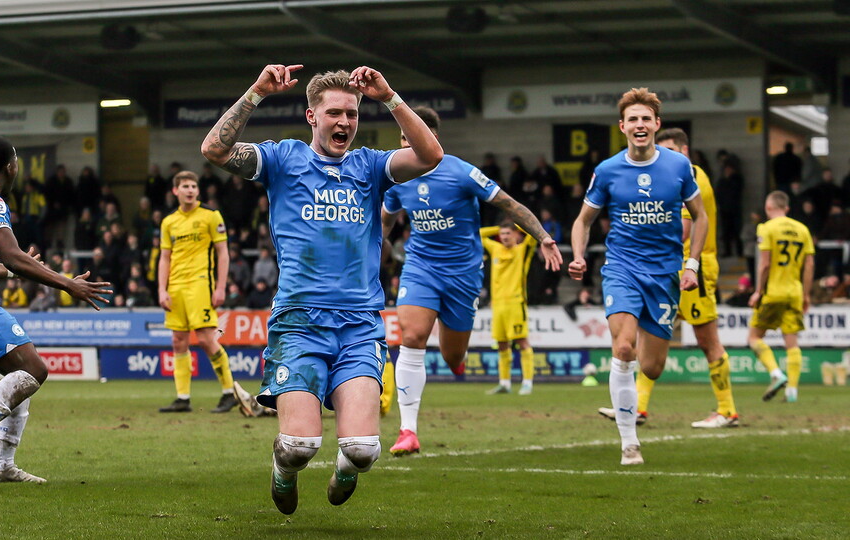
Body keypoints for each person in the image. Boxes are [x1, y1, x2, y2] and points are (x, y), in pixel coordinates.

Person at [201, 64, 443, 514]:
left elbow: (431, 156)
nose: (344, 123)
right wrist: (256, 91)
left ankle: (345, 470)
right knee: (298, 445)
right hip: (298, 321)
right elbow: (215, 149)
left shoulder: (370, 165)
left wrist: (388, 97)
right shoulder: (283, 158)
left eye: (351, 114)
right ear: (312, 116)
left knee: (363, 450)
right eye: (334, 113)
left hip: (358, 324)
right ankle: (283, 471)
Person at [380, 106, 561, 456]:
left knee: (451, 355)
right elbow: (386, 221)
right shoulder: (398, 178)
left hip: (463, 274)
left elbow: (509, 205)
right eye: (402, 137)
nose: (407, 143)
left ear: (431, 136)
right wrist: (372, 249)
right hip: (420, 267)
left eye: (413, 135)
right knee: (412, 336)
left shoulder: (461, 172)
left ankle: (456, 356)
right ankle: (408, 431)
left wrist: (543, 237)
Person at [0, 136, 111, 488]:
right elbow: (13, 255)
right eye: (16, 162)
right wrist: (66, 284)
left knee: (19, 376)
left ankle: (2, 466)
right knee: (35, 369)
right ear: (10, 167)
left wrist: (14, 269)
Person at [569, 88, 706, 466]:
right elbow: (583, 220)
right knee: (624, 348)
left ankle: (633, 410)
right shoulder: (609, 170)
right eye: (633, 119)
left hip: (664, 274)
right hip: (621, 269)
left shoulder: (679, 167)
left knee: (652, 366)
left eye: (646, 118)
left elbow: (702, 216)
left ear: (657, 125)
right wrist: (579, 256)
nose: (640, 124)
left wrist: (691, 265)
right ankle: (629, 443)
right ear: (623, 127)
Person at [597, 128, 738, 428]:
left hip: (690, 266)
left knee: (706, 338)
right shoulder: (673, 171)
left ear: (684, 150)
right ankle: (637, 407)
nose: (663, 157)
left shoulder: (691, 176)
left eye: (671, 150)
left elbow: (685, 230)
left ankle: (727, 409)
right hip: (668, 267)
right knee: (650, 333)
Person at [156, 170, 237, 414]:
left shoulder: (211, 216)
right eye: (185, 186)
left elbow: (223, 253)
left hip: (200, 283)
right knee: (178, 340)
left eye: (193, 186)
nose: (190, 190)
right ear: (175, 191)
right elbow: (164, 258)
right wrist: (162, 289)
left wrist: (221, 286)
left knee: (204, 338)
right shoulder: (168, 222)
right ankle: (182, 398)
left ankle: (228, 392)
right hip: (176, 288)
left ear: (198, 190)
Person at [748, 191, 815, 403]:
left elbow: (765, 264)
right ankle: (792, 392)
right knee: (792, 343)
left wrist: (758, 291)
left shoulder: (766, 228)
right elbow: (810, 265)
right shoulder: (802, 230)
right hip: (794, 292)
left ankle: (776, 374)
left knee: (754, 337)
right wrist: (805, 294)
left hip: (773, 292)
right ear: (786, 208)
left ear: (768, 208)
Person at [480, 221, 549, 396]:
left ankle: (527, 383)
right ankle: (504, 383)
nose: (504, 237)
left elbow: (532, 232)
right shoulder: (495, 249)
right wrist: (498, 228)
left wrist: (515, 226)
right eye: (502, 234)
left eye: (508, 234)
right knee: (502, 344)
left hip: (515, 303)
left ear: (516, 235)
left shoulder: (522, 250)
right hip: (498, 305)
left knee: (521, 341)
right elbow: (478, 233)